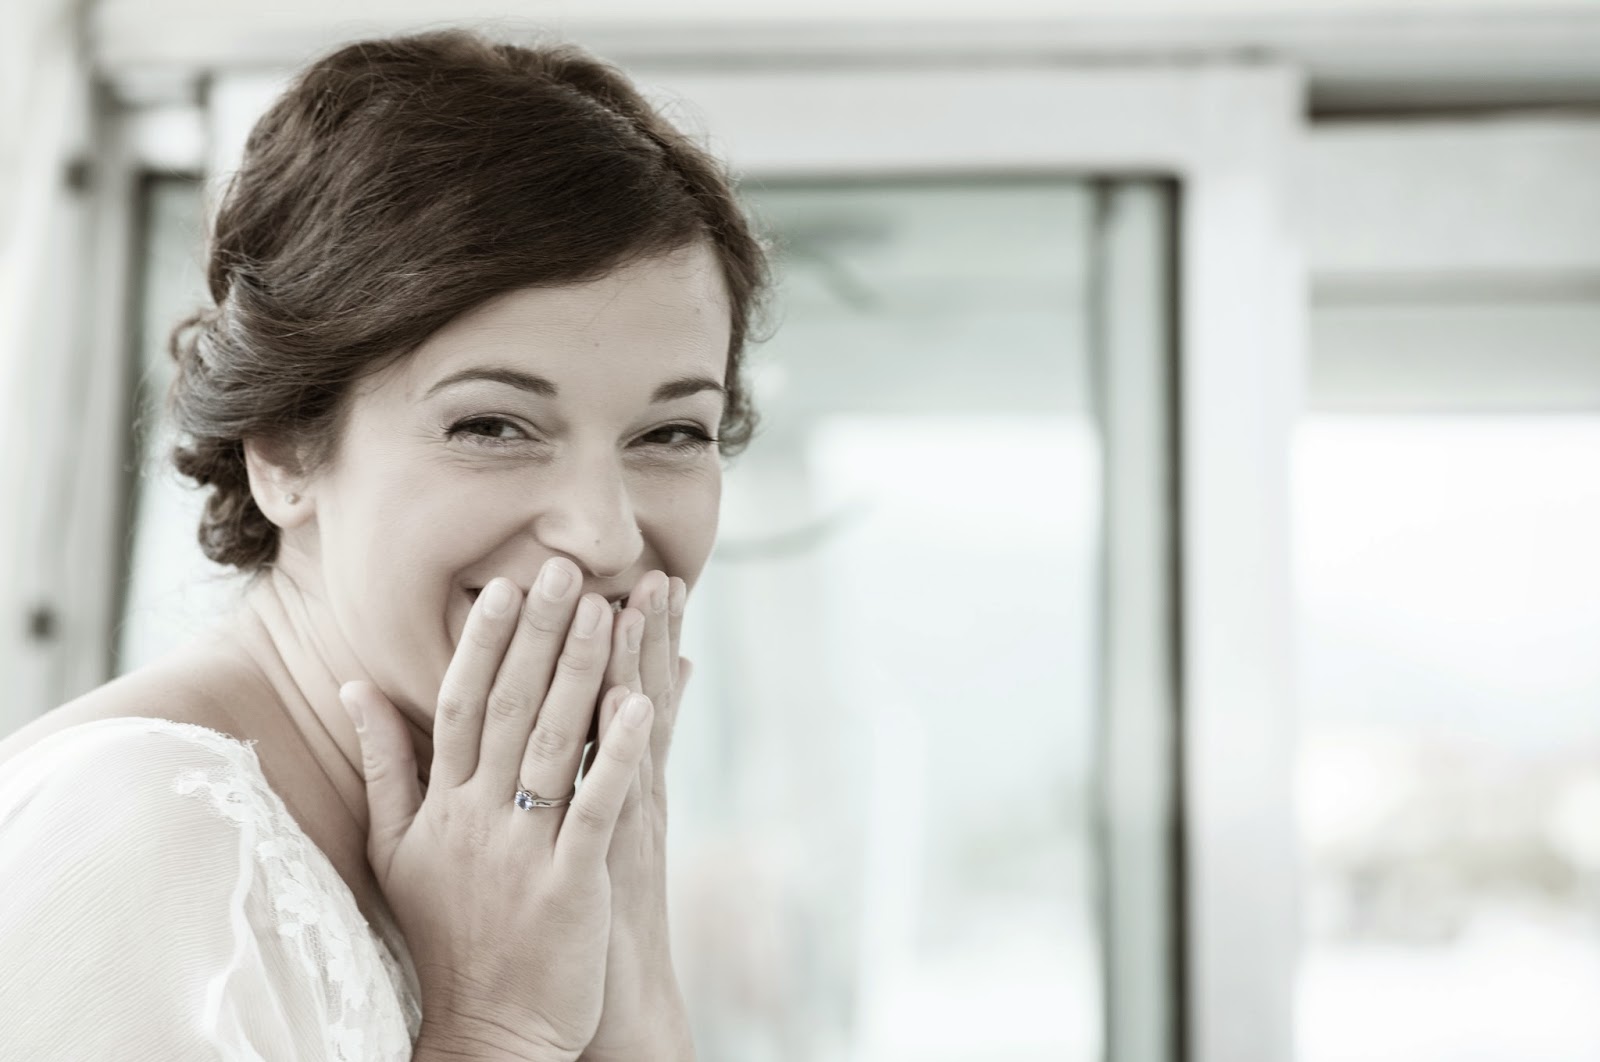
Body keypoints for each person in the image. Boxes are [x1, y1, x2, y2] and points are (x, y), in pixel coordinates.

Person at [0, 27, 767, 1061]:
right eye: (491, 426)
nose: (602, 533)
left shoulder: (527, 862)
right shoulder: (140, 836)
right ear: (283, 448)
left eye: (671, 434)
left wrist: (634, 995)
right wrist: (496, 1027)